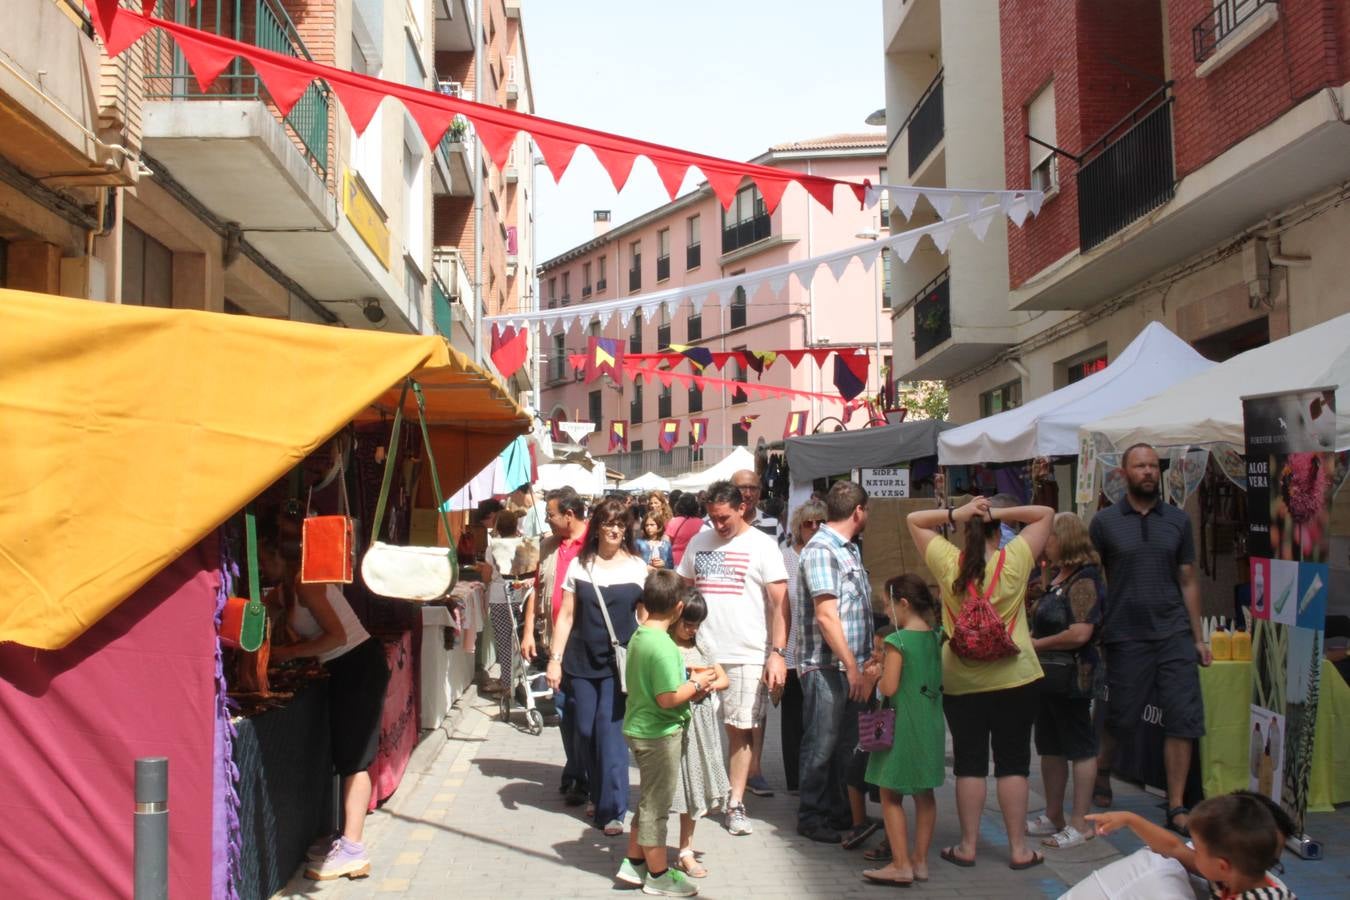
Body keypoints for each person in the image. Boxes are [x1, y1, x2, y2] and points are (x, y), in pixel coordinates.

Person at [906, 495, 1054, 870]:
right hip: (1016, 679)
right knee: (1014, 763)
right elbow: (1045, 514)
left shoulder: (948, 562)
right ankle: (1019, 849)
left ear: (965, 529)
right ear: (998, 530)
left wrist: (958, 512)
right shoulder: (1016, 558)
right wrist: (998, 510)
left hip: (961, 681)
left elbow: (915, 520)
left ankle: (968, 846)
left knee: (970, 764)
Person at [1089, 443, 1211, 835]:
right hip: (1125, 635)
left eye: (1153, 466)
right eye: (1139, 466)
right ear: (1123, 474)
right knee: (1120, 716)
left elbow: (1189, 579)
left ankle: (1175, 804)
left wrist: (1198, 637)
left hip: (1173, 632)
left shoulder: (1177, 520)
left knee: (1182, 717)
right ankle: (1103, 770)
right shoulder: (1105, 522)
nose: (1148, 472)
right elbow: (1094, 580)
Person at [258, 527, 390, 881]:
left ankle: (353, 848)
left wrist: (287, 653)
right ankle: (343, 834)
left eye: (262, 558)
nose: (258, 564)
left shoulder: (308, 584)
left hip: (359, 666)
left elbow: (338, 636)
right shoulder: (287, 590)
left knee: (354, 759)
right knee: (345, 754)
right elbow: (262, 612)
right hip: (343, 668)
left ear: (279, 558)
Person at [677, 480, 789, 836]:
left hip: (747, 653)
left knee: (741, 730)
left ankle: (735, 801)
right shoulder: (699, 540)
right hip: (703, 652)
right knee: (695, 728)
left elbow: (780, 604)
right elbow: (683, 590)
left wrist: (777, 654)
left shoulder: (763, 545)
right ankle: (702, 790)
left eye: (724, 517)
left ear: (742, 508)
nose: (719, 525)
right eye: (713, 518)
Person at [545, 497, 648, 835]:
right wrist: (555, 660)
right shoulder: (580, 565)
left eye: (621, 524)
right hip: (580, 660)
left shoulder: (637, 566)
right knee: (585, 731)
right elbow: (567, 615)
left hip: (620, 663)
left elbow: (645, 618)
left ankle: (613, 809)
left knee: (610, 733)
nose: (615, 529)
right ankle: (597, 790)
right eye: (608, 523)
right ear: (598, 527)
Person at [615, 569, 715, 898]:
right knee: (656, 808)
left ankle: (634, 862)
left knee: (647, 801)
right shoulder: (663, 646)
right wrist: (697, 683)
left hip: (641, 727)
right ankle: (658, 874)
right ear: (678, 608)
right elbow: (668, 697)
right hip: (659, 733)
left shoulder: (642, 635)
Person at [795, 480, 875, 844]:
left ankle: (841, 812)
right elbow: (827, 616)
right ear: (858, 511)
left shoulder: (848, 548)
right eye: (868, 510)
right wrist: (853, 666)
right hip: (828, 667)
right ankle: (812, 817)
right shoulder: (822, 549)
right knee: (821, 745)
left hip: (849, 667)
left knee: (846, 745)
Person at [1026, 512, 1105, 850]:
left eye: (1050, 537)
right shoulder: (1059, 577)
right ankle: (1055, 814)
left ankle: (1080, 822)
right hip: (1048, 678)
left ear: (1065, 539)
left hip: (1072, 676)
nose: (1045, 542)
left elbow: (1080, 632)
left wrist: (1036, 645)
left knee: (1079, 746)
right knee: (1050, 746)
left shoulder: (1084, 580)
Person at [861, 574, 944, 886]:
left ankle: (900, 863)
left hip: (903, 722)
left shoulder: (898, 641)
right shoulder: (936, 635)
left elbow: (890, 686)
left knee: (889, 792)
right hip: (931, 721)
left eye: (888, 603)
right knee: (925, 793)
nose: (887, 610)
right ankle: (920, 861)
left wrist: (876, 676)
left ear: (904, 604)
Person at [1085, 791, 1296, 899]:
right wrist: (1131, 819)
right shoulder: (1232, 876)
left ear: (1222, 865)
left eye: (1197, 848)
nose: (1192, 850)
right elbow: (1173, 848)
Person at [521, 488, 589, 805]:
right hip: (554, 642)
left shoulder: (594, 544)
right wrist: (528, 632)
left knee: (586, 715)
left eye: (550, 515)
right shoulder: (547, 546)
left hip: (587, 644)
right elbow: (537, 589)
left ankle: (583, 773)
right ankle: (576, 773)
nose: (547, 520)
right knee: (564, 710)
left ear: (569, 515)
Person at [668, 589, 731, 879]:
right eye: (687, 623)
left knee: (694, 788)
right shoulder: (665, 644)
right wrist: (690, 681)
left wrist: (706, 684)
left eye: (696, 624)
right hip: (674, 724)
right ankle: (649, 847)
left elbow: (723, 677)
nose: (691, 629)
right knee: (669, 790)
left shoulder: (701, 644)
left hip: (700, 726)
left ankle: (685, 850)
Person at [730, 468, 776, 797]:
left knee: (756, 707)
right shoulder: (713, 525)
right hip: (724, 627)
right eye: (742, 488)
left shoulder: (773, 525)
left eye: (753, 488)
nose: (747, 493)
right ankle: (729, 770)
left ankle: (755, 767)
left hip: (759, 627)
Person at [779, 498, 827, 793]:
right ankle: (795, 779)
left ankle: (817, 775)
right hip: (792, 649)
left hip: (822, 650)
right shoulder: (785, 557)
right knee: (794, 715)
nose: (815, 527)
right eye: (809, 523)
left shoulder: (829, 554)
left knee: (819, 716)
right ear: (798, 527)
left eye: (821, 522)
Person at [665, 493, 704, 567]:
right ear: (696, 507)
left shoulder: (674, 521)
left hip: (675, 561)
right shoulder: (701, 523)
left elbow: (666, 543)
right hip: (694, 561)